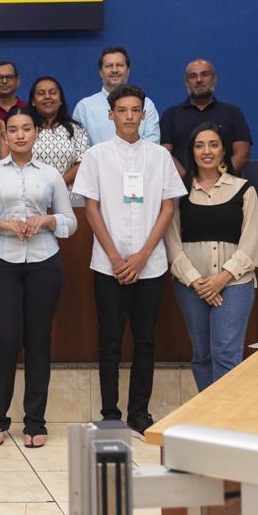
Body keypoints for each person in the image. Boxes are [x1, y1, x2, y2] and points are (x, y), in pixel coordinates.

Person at [72, 84, 185, 436]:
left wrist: (141, 256)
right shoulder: (96, 155)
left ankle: (140, 412)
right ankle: (109, 412)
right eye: (122, 110)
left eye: (136, 110)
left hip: (150, 265)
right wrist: (117, 256)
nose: (129, 116)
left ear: (144, 114)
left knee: (145, 341)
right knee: (109, 342)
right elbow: (90, 208)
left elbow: (168, 206)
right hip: (108, 264)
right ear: (111, 114)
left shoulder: (159, 157)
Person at [0, 107, 74, 448]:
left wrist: (48, 221)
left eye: (27, 128)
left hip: (45, 262)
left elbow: (71, 223)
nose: (21, 134)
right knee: (6, 342)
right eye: (14, 130)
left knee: (39, 342)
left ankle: (35, 422)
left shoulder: (51, 175)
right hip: (3, 263)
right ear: (5, 135)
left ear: (35, 134)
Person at [165, 123, 258, 391]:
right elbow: (172, 242)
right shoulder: (178, 194)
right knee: (202, 355)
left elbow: (252, 242)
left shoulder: (245, 190)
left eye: (214, 145)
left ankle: (224, 422)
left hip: (234, 284)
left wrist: (221, 279)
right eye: (199, 145)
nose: (207, 151)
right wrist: (197, 282)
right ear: (191, 152)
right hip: (190, 286)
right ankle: (205, 421)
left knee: (225, 354)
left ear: (224, 151)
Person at [160, 59, 252, 176]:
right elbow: (165, 154)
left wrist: (220, 181)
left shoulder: (232, 112)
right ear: (186, 82)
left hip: (227, 187)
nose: (199, 80)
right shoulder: (171, 115)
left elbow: (242, 153)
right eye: (193, 76)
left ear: (214, 79)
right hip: (184, 190)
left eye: (204, 74)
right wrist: (188, 183)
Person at [72, 47, 161, 144]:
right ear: (100, 72)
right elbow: (80, 148)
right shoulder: (84, 107)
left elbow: (152, 144)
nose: (114, 70)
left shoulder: (146, 104)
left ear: (128, 71)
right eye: (109, 66)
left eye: (119, 65)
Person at [27, 75, 89, 187]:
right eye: (41, 93)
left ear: (60, 100)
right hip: (32, 195)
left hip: (68, 198)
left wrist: (57, 185)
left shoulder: (76, 129)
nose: (47, 96)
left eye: (53, 92)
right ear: (33, 101)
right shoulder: (25, 129)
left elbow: (82, 163)